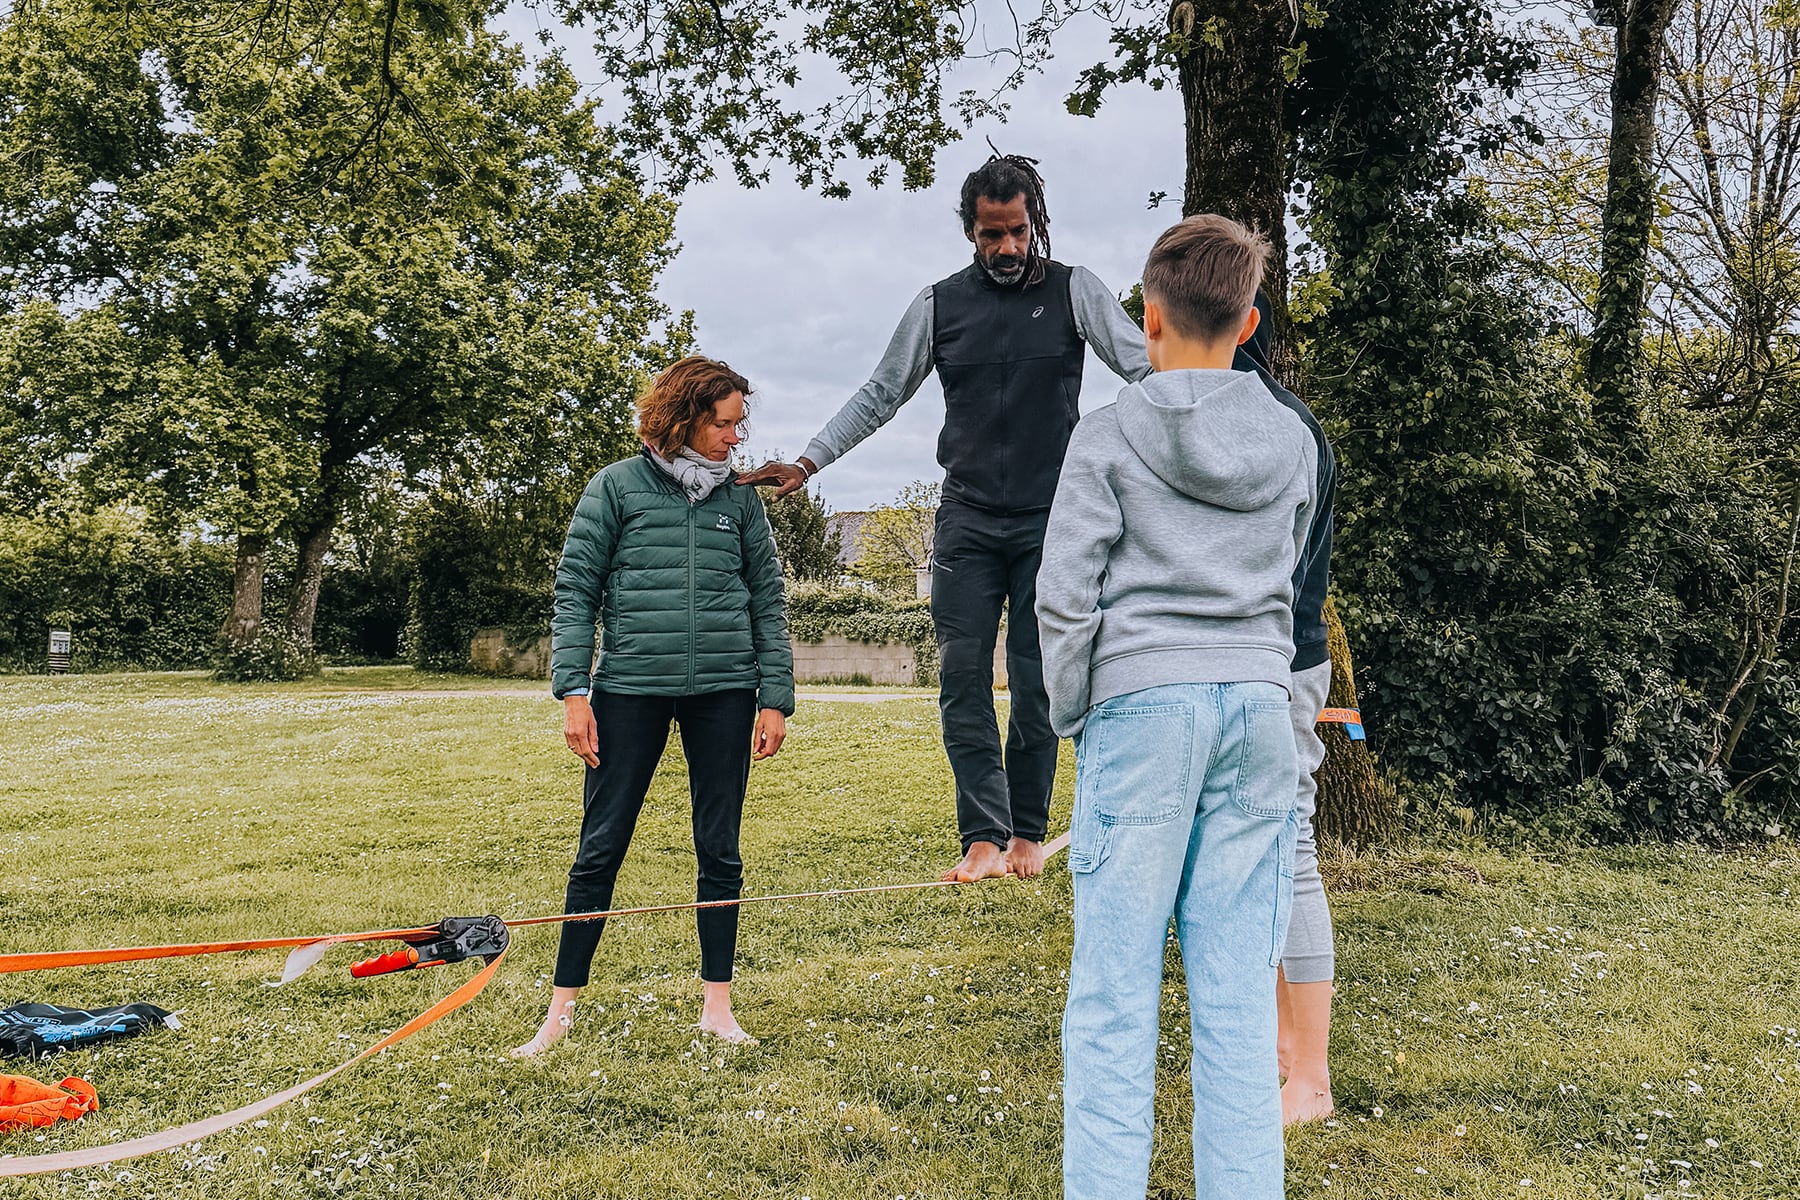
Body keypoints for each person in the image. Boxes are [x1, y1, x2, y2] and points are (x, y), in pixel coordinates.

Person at [737, 151, 1150, 884]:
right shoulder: (938, 304)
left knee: (1036, 678)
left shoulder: (1075, 291)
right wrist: (808, 462)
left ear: (1036, 223)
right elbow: (879, 393)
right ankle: (982, 836)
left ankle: (1027, 832)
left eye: (1018, 231)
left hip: (1054, 518)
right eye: (992, 235)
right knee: (962, 676)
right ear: (970, 231)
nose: (1007, 249)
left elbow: (1144, 372)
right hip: (966, 516)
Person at [1036, 214, 1316, 1200]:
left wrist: (1078, 711)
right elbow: (1286, 581)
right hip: (1255, 708)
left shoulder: (1107, 432)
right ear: (1245, 326)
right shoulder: (1292, 438)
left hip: (1143, 710)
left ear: (1148, 320)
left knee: (1113, 1000)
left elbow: (1064, 597)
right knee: (1238, 1001)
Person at [514, 356, 795, 1058]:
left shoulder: (740, 502)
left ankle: (718, 1011)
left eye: (740, 425)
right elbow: (575, 593)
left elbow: (768, 600)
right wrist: (574, 693)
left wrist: (775, 700)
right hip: (629, 689)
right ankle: (559, 1015)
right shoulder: (615, 487)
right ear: (684, 419)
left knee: (719, 850)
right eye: (724, 425)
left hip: (726, 691)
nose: (736, 439)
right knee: (599, 849)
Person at [1234, 299, 1340, 1126]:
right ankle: (1279, 1048)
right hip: (1258, 660)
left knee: (1286, 846)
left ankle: (1311, 1078)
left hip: (1280, 660)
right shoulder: (1240, 411)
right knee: (1253, 852)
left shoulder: (1277, 425)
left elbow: (1276, 571)